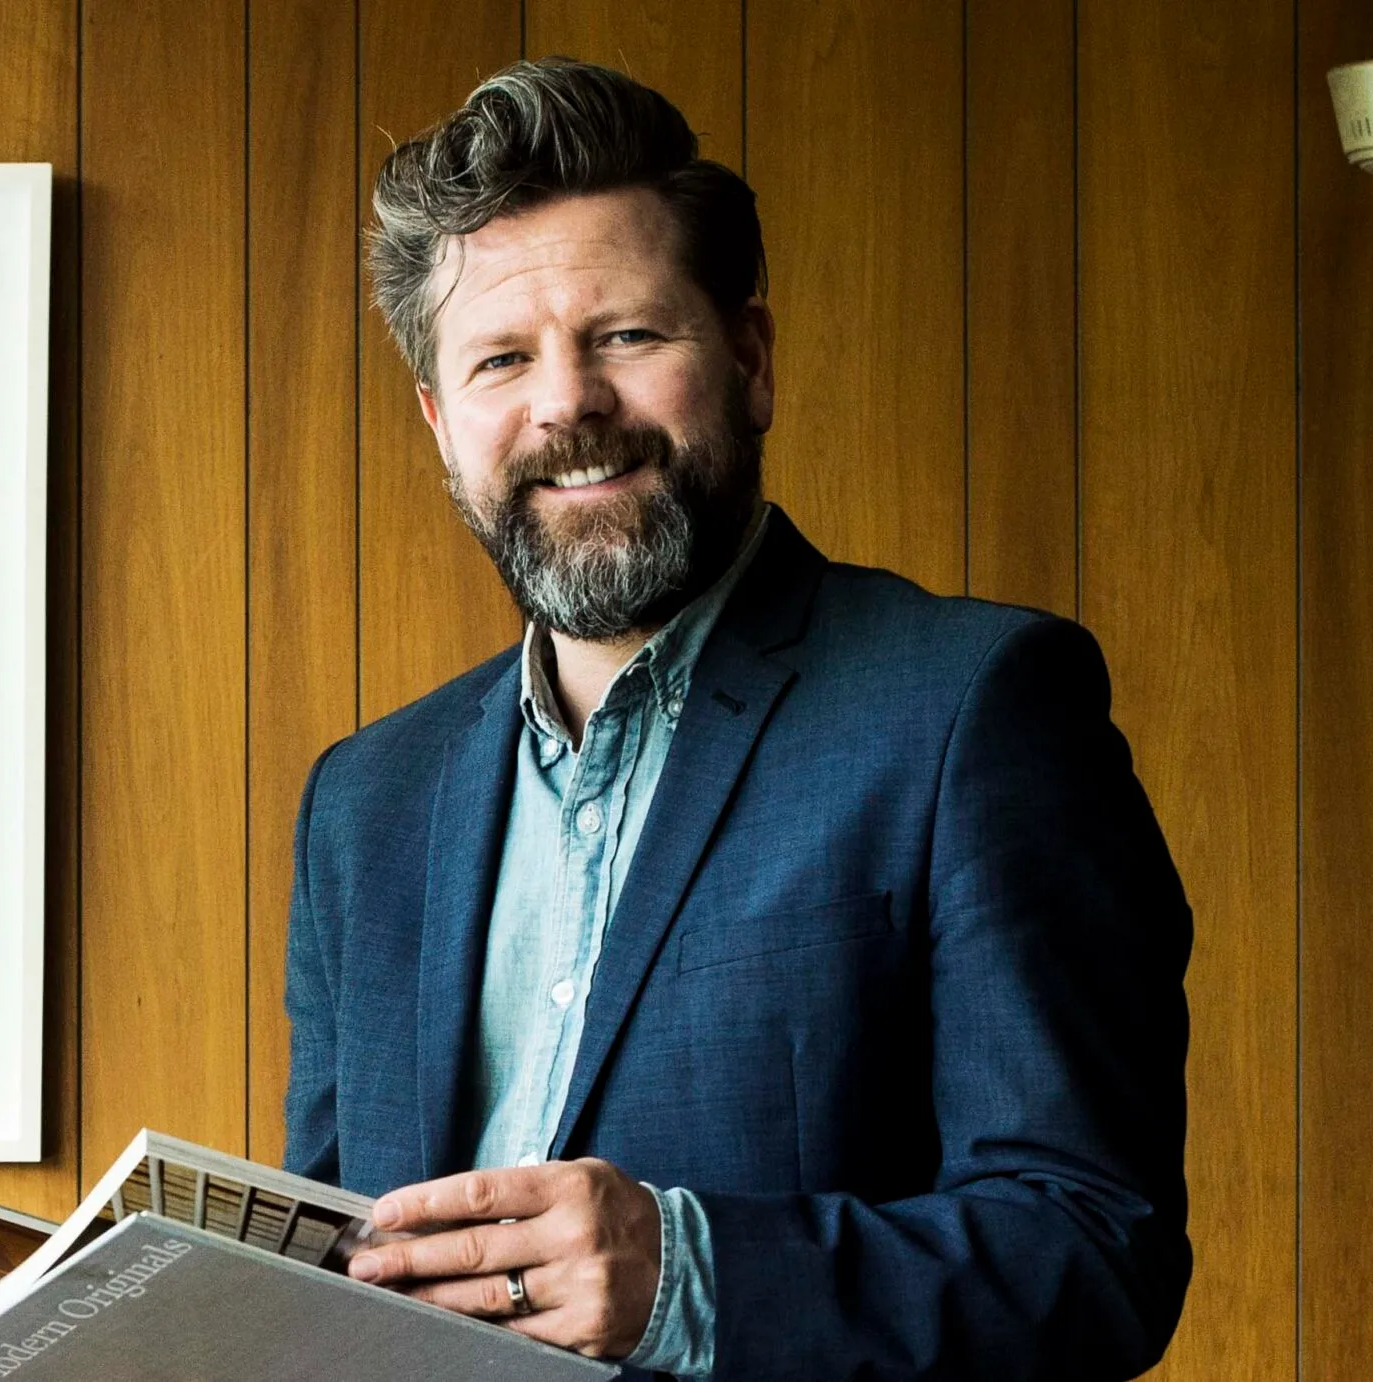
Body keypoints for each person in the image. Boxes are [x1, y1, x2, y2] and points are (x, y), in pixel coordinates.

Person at [285, 58, 1192, 1380]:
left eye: (627, 335)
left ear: (750, 358)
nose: (567, 402)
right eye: (500, 358)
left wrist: (687, 1275)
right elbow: (333, 1279)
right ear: (440, 421)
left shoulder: (975, 709)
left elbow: (1092, 1247)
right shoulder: (365, 802)